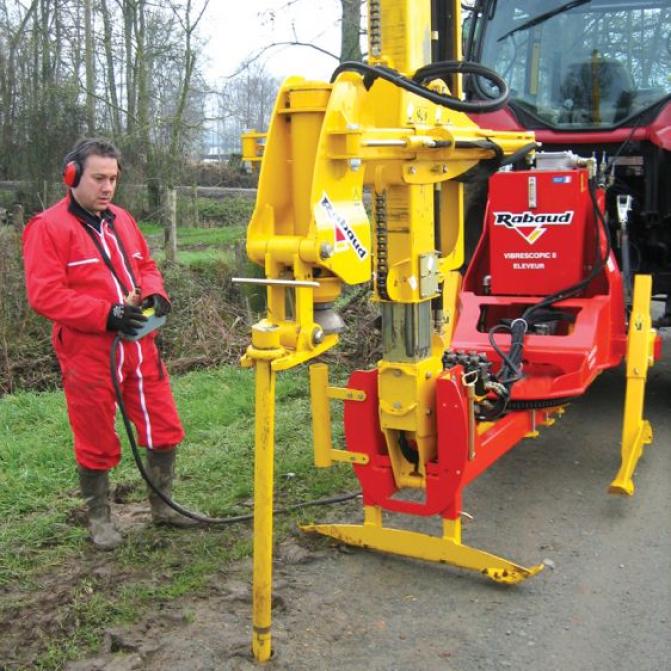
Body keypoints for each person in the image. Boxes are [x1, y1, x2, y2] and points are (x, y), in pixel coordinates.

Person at [23, 138, 196, 550]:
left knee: (164, 427)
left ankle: (164, 506)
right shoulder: (47, 228)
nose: (107, 187)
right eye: (99, 178)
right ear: (72, 176)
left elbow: (146, 266)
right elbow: (44, 295)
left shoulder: (122, 219)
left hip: (139, 346)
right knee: (95, 437)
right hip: (88, 352)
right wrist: (107, 314)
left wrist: (155, 295)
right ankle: (100, 519)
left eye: (113, 179)